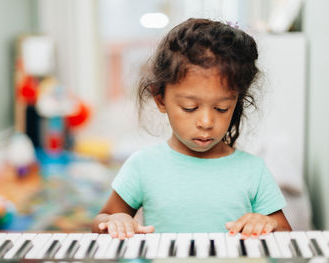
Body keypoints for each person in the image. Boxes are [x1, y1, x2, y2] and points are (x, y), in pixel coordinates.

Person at [92, 18, 292, 239]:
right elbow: (102, 221)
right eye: (190, 108)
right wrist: (116, 221)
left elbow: (285, 232)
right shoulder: (143, 166)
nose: (206, 122)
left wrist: (266, 223)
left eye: (221, 108)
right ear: (160, 99)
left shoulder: (253, 171)